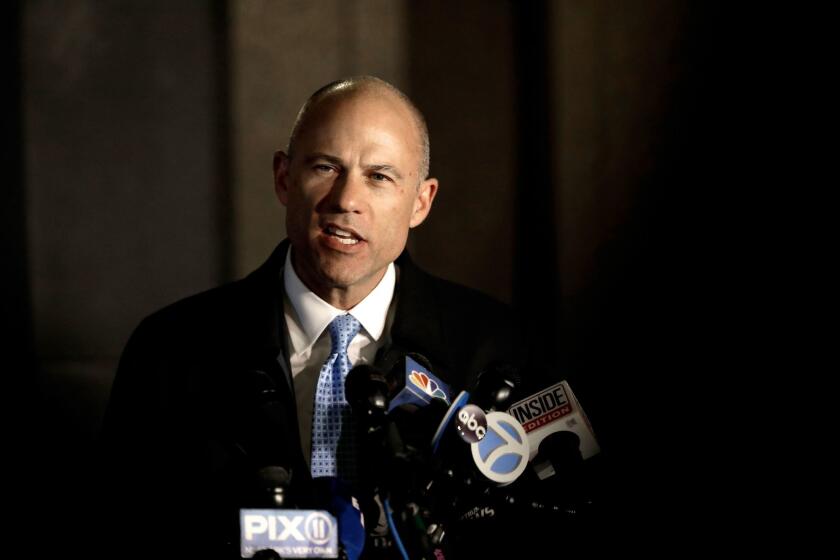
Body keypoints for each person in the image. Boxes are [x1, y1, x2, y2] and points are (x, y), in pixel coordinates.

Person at [99, 76, 556, 559]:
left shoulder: (501, 347)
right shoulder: (169, 349)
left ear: (421, 201)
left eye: (379, 176)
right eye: (325, 167)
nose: (346, 200)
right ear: (283, 178)